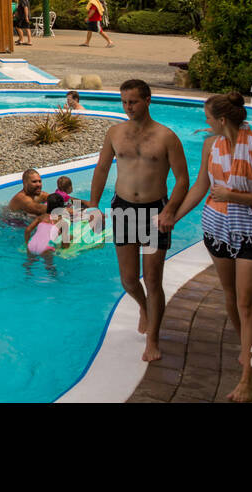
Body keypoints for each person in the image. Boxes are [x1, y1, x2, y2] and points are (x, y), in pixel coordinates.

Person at [171, 91, 252, 402]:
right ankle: (248, 350)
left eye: (208, 118)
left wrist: (233, 196)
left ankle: (250, 377)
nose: (204, 124)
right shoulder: (210, 145)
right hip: (217, 227)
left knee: (248, 306)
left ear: (221, 120)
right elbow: (201, 186)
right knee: (231, 299)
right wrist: (174, 217)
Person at [87, 78, 189, 362]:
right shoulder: (115, 133)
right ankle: (143, 307)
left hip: (156, 213)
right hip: (123, 209)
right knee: (129, 279)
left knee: (153, 280)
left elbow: (183, 180)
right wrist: (94, 206)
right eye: (124, 102)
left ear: (147, 100)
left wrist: (170, 212)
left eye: (132, 101)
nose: (128, 107)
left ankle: (153, 339)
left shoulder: (167, 137)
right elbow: (102, 168)